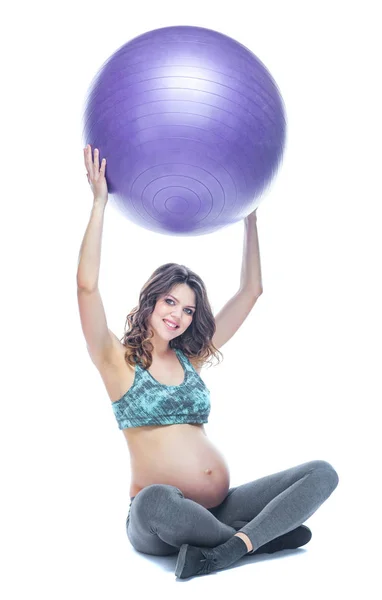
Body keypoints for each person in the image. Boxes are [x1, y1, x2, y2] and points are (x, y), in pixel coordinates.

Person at [77, 145, 339, 580]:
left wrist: (250, 215)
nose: (177, 316)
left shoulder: (190, 358)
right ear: (150, 301)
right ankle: (258, 539)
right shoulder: (115, 360)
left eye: (187, 310)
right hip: (156, 521)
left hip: (219, 504)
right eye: (170, 302)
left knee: (322, 474)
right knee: (155, 500)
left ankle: (226, 548)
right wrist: (99, 203)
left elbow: (251, 290)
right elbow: (87, 288)